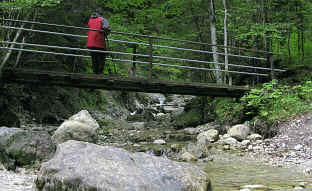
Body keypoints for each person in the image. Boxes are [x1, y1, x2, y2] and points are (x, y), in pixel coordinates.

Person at [86, 9, 110, 74]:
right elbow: (106, 27)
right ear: (101, 13)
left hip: (90, 42)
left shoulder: (90, 20)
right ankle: (100, 73)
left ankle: (95, 72)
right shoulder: (102, 19)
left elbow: (89, 27)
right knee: (102, 57)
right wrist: (106, 32)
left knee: (94, 58)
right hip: (99, 42)